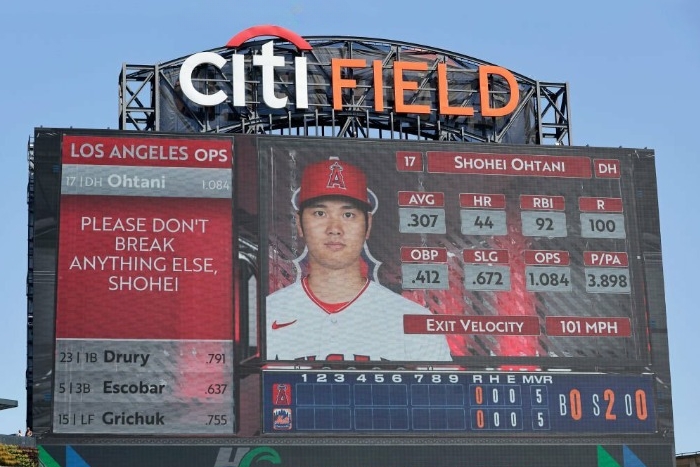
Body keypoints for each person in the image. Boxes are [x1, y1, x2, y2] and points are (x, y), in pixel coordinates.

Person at [266, 158, 451, 362]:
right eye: (320, 213)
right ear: (300, 224)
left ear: (368, 225)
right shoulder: (266, 314)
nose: (334, 229)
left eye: (348, 215)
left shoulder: (414, 319)